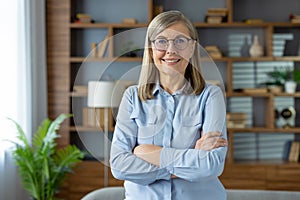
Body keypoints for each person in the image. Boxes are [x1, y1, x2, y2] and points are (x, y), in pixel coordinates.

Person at [110, 10, 228, 200]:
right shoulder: (132, 97)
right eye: (162, 41)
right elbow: (118, 165)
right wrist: (191, 157)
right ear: (151, 50)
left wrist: (145, 153)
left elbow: (210, 165)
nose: (171, 50)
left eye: (180, 41)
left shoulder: (210, 96)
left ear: (192, 48)